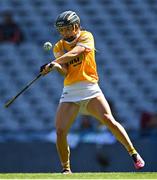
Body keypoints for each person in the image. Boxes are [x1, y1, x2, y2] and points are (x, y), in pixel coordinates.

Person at [40, 10, 145, 174]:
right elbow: (65, 71)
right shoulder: (59, 46)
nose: (64, 33)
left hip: (90, 88)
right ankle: (66, 169)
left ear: (76, 26)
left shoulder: (86, 36)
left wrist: (54, 61)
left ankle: (133, 153)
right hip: (70, 92)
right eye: (61, 30)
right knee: (60, 131)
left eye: (67, 29)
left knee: (109, 121)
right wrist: (54, 67)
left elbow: (77, 52)